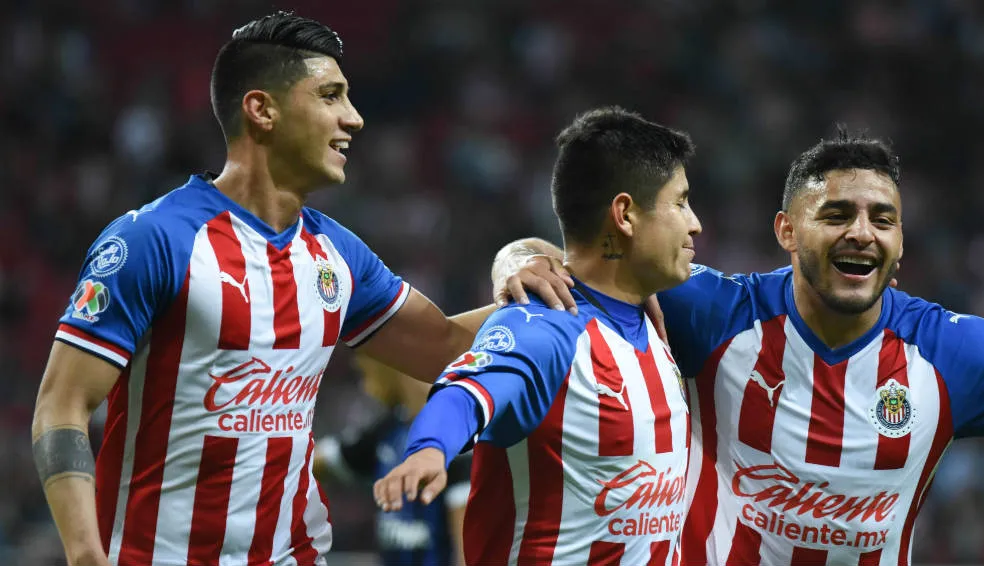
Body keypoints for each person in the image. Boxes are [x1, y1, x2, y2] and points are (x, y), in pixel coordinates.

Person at [29, 12, 572, 566]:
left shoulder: (337, 255)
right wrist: (85, 555)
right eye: (331, 96)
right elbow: (61, 406)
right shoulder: (155, 240)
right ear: (262, 110)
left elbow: (446, 349)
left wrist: (516, 260)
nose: (354, 119)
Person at [504, 130, 984, 565]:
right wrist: (516, 261)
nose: (861, 233)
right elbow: (587, 258)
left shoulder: (953, 354)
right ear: (786, 230)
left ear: (899, 242)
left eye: (882, 219)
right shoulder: (714, 313)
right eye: (836, 215)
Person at [374, 106, 702, 565]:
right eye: (681, 202)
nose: (695, 224)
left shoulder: (653, 315)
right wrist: (428, 449)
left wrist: (518, 254)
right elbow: (466, 394)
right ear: (624, 214)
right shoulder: (547, 325)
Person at [313, 353, 471, 566]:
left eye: (364, 368)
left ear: (389, 363)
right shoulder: (388, 430)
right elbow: (316, 463)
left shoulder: (456, 439)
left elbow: (468, 553)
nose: (364, 384)